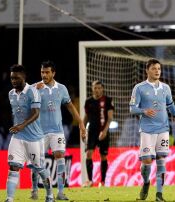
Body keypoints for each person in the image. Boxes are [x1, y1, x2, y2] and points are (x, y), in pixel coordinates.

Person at [30, 61, 87, 200]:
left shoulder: (61, 88)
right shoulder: (34, 87)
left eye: (47, 72)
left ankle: (61, 192)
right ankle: (34, 190)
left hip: (57, 130)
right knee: (37, 162)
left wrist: (81, 123)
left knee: (60, 157)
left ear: (53, 73)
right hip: (39, 132)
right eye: (42, 72)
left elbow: (70, 106)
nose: (44, 75)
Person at [130, 58, 175, 202]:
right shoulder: (139, 88)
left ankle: (159, 194)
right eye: (153, 68)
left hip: (164, 129)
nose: (157, 71)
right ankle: (146, 182)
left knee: (161, 159)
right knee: (147, 161)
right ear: (147, 70)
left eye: (159, 68)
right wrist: (144, 111)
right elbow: (132, 108)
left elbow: (170, 105)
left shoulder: (165, 88)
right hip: (147, 130)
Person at [6, 64, 54, 202]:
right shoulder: (11, 94)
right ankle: (9, 199)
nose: (13, 81)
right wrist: (17, 127)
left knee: (39, 168)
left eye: (16, 78)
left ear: (24, 77)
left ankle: (50, 195)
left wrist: (21, 125)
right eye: (12, 78)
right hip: (18, 136)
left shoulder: (33, 92)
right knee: (13, 167)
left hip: (34, 138)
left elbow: (36, 113)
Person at [83, 80, 114, 187]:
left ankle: (103, 181)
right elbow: (86, 117)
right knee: (88, 154)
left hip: (103, 131)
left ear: (102, 89)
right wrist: (82, 129)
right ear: (92, 88)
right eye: (95, 88)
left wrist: (104, 131)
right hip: (91, 131)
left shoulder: (108, 100)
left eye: (99, 88)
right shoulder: (88, 101)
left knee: (103, 156)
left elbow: (110, 118)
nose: (97, 90)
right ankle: (90, 181)